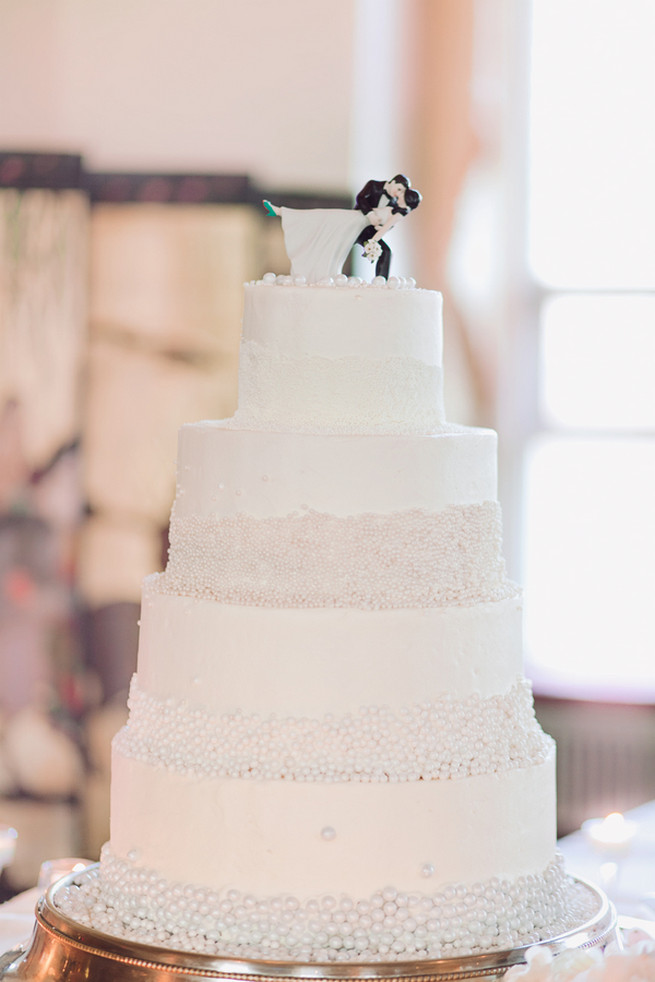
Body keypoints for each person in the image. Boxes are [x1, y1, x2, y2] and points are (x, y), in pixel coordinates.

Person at [262, 174, 421, 283]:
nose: (398, 193)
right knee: (326, 219)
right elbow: (360, 198)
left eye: (401, 192)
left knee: (384, 251)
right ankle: (282, 211)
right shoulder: (374, 185)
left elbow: (387, 227)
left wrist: (373, 240)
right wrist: (370, 213)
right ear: (393, 182)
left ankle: (382, 282)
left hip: (366, 230)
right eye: (399, 189)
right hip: (354, 221)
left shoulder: (395, 207)